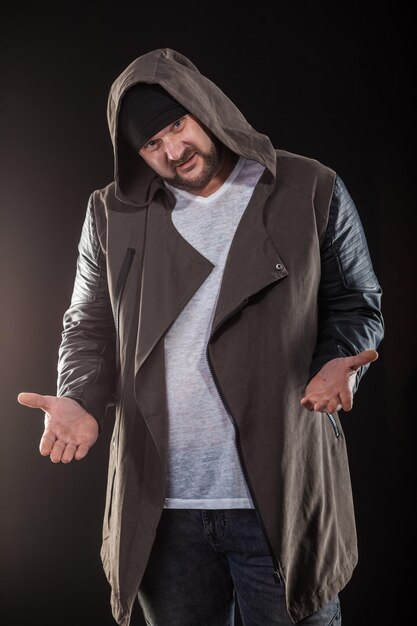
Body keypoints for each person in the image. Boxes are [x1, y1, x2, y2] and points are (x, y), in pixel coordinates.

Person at [17, 47, 384, 626]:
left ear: (204, 108)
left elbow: (356, 303)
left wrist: (342, 361)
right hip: (164, 513)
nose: (171, 151)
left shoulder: (309, 187)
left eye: (175, 126)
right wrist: (80, 395)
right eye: (151, 145)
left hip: (283, 496)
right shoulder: (111, 213)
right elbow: (87, 327)